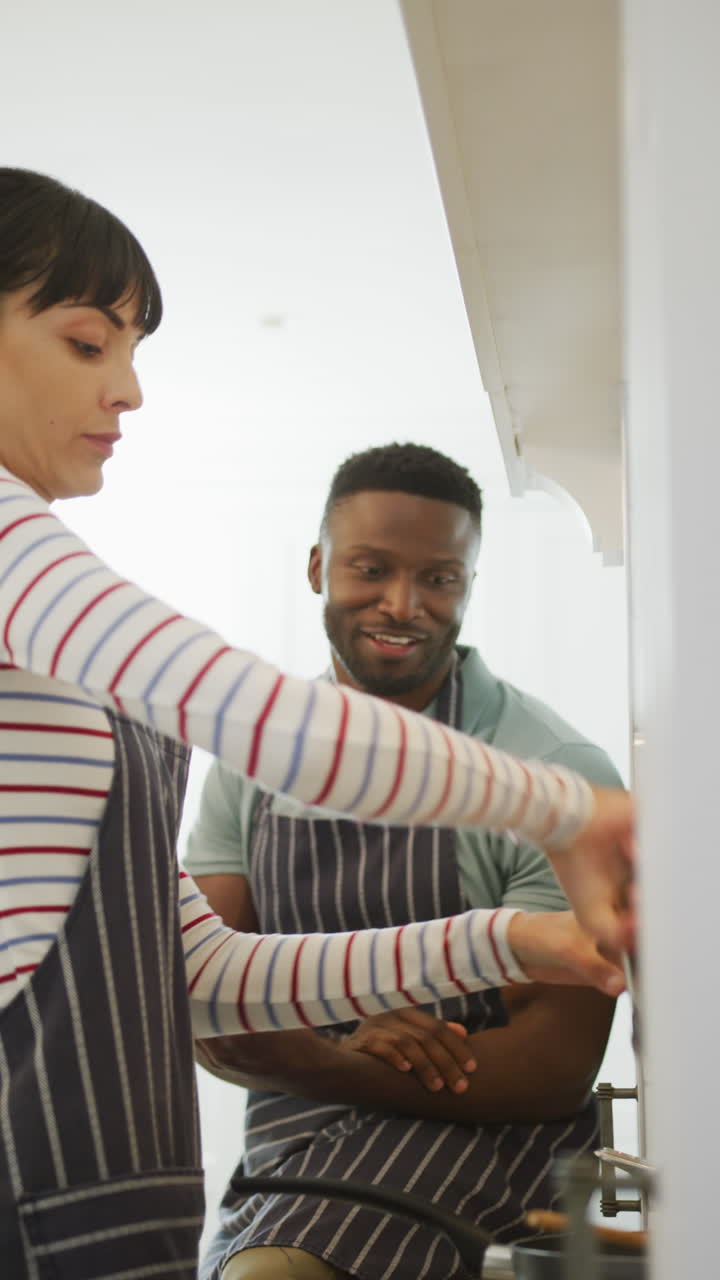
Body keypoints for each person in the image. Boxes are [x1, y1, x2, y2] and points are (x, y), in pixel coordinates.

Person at [0, 168, 631, 1278]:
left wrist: (511, 940)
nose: (131, 389)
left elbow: (207, 968)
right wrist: (561, 807)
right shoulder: (11, 548)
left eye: (135, 349)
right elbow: (254, 713)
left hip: (91, 1176)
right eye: (89, 343)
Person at [185, 443, 627, 1280]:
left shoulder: (556, 773)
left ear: (469, 585)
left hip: (492, 1154)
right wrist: (345, 1051)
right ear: (318, 567)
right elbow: (208, 999)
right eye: (371, 569)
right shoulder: (251, 761)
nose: (404, 604)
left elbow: (553, 1069)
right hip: (284, 1153)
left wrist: (319, 1054)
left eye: (439, 579)